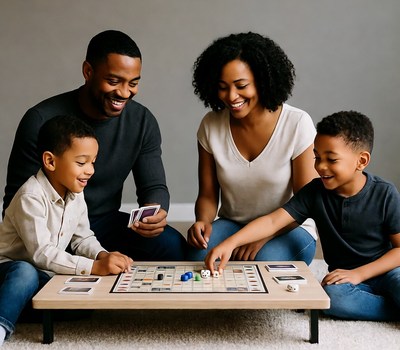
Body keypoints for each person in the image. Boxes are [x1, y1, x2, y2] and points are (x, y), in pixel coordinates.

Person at [2, 30, 187, 261]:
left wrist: (154, 211)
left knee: (172, 245)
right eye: (113, 81)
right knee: (35, 273)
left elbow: (154, 186)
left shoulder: (142, 121)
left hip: (103, 223)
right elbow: (17, 199)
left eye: (133, 83)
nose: (124, 92)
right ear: (88, 71)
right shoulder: (40, 119)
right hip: (47, 228)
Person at [206, 111, 400, 321]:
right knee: (330, 298)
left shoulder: (385, 193)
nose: (320, 166)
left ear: (361, 161)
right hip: (343, 279)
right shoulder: (314, 192)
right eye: (317, 157)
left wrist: (360, 274)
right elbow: (273, 221)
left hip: (388, 271)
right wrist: (231, 243)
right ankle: (393, 309)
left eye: (331, 159)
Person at [0, 116, 133, 345]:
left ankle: (17, 306)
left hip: (44, 273)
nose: (90, 170)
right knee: (25, 272)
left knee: (80, 307)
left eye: (93, 162)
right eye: (81, 163)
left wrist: (103, 255)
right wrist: (94, 267)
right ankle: (2, 326)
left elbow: (83, 238)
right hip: (10, 272)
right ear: (51, 162)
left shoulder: (76, 193)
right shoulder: (30, 196)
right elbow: (41, 253)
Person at [187, 32, 317, 264]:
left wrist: (263, 236)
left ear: (263, 80)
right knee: (195, 256)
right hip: (233, 223)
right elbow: (207, 194)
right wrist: (203, 221)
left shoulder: (297, 123)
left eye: (241, 85)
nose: (231, 96)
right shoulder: (211, 124)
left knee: (263, 262)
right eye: (223, 87)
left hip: (289, 227)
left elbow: (305, 205)